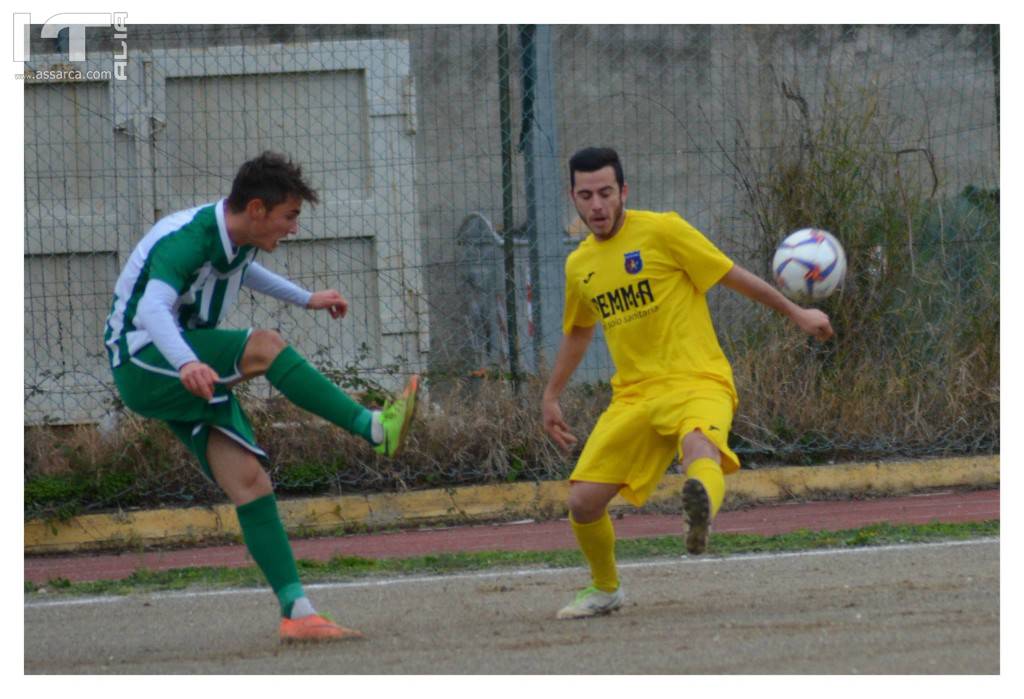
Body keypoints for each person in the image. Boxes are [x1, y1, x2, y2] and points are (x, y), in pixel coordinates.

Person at [104, 151, 419, 642]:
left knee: (251, 483)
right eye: (289, 216)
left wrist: (307, 298)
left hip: (176, 362)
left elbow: (241, 273)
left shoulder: (237, 239)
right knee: (266, 347)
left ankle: (298, 613)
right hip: (144, 358)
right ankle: (373, 428)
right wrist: (187, 362)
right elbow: (151, 308)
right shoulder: (187, 238)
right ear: (255, 209)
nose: (293, 228)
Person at [542, 147, 833, 620]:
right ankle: (605, 588)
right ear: (572, 197)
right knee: (582, 501)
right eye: (586, 195)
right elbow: (578, 330)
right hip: (634, 396)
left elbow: (731, 275)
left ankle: (700, 513)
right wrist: (551, 394)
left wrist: (796, 312)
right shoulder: (580, 266)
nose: (596, 205)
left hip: (698, 378)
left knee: (700, 448)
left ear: (624, 192)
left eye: (606, 193)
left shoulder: (663, 231)